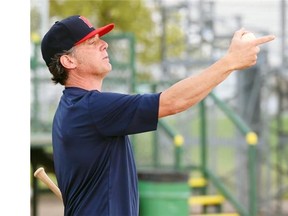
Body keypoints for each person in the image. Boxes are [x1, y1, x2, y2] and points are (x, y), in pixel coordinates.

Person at [40, 15, 275, 216]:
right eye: (91, 42)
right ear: (68, 60)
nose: (104, 45)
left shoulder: (73, 108)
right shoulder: (91, 108)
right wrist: (230, 62)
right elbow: (174, 101)